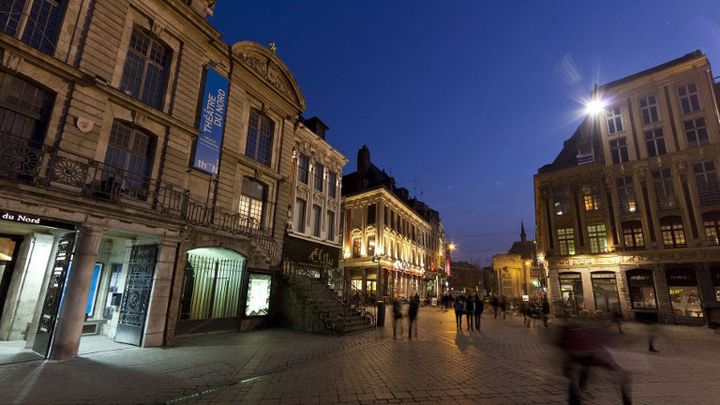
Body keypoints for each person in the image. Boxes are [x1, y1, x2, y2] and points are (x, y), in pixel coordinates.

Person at [557, 320, 632, 405]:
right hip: (588, 358)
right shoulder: (589, 333)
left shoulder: (572, 333)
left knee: (575, 381)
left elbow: (562, 346)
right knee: (577, 378)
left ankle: (576, 398)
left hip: (582, 358)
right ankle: (626, 398)